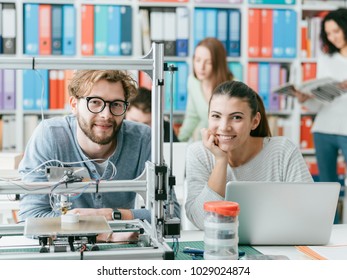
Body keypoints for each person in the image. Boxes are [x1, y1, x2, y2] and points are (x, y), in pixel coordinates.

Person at [18, 70, 180, 242]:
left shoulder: (143, 139)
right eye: (95, 102)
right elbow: (30, 219)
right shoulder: (49, 136)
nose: (106, 115)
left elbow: (171, 215)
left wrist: (110, 215)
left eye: (116, 104)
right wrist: (103, 233)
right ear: (74, 105)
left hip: (121, 253)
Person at [185, 80, 313, 229]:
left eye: (236, 117)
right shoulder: (198, 153)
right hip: (221, 245)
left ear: (255, 121)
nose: (224, 127)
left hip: (277, 244)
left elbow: (308, 211)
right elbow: (202, 221)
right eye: (216, 116)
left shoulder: (283, 151)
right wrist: (221, 160)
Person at [294, 8, 347, 184]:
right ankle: (333, 214)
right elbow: (320, 103)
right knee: (326, 185)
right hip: (323, 129)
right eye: (328, 33)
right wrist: (306, 99)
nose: (333, 37)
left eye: (336, 31)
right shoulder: (326, 59)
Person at [178, 37, 234, 142]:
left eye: (208, 62)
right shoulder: (192, 81)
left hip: (226, 141)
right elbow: (192, 116)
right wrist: (179, 141)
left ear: (218, 64)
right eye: (198, 60)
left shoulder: (233, 87)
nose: (201, 67)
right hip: (202, 140)